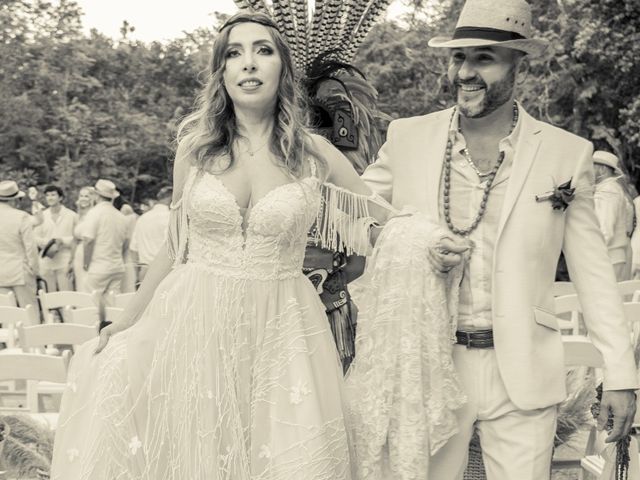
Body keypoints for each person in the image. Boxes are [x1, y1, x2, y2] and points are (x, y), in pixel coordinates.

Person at [50, 12, 419, 479]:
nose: (249, 63)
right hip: (196, 320)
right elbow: (173, 248)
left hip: (283, 326)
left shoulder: (314, 154)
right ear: (221, 72)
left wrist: (429, 236)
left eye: (263, 51)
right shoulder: (196, 149)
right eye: (234, 53)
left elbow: (382, 219)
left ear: (281, 69)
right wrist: (124, 322)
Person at [360, 0, 638, 478]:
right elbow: (357, 221)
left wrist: (620, 375)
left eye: (484, 58)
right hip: (428, 364)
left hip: (524, 371)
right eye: (458, 57)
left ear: (517, 63)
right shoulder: (406, 138)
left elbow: (594, 275)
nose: (465, 72)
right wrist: (412, 241)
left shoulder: (566, 153)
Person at [81, 179, 129, 295]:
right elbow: (126, 242)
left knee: (91, 305)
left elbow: (88, 240)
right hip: (117, 267)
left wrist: (86, 263)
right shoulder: (121, 216)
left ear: (97, 195)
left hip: (98, 267)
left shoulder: (94, 213)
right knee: (113, 305)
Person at [0, 180, 39, 317]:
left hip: (1, 272)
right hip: (20, 271)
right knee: (29, 311)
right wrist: (35, 270)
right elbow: (30, 247)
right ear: (14, 200)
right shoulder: (21, 216)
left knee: (6, 315)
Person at [593, 150, 633, 281]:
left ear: (603, 169)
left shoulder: (608, 191)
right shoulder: (614, 188)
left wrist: (592, 255)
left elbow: (605, 228)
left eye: (592, 166)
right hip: (614, 256)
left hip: (608, 256)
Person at [34, 185, 77, 292]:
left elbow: (77, 238)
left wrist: (62, 241)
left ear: (60, 198)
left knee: (67, 294)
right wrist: (48, 243)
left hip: (65, 260)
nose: (50, 198)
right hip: (46, 260)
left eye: (53, 195)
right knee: (48, 297)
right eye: (47, 195)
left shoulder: (71, 215)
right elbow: (35, 237)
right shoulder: (41, 215)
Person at [129, 186, 172, 285]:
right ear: (171, 199)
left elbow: (133, 249)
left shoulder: (143, 218)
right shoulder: (170, 218)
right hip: (163, 272)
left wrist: (137, 274)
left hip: (143, 271)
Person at [71, 186, 96, 292]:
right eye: (81, 195)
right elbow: (74, 239)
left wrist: (87, 260)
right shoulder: (77, 216)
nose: (83, 198)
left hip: (91, 251)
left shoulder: (95, 214)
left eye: (86, 196)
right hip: (78, 253)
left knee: (89, 283)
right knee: (79, 284)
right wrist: (71, 260)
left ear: (93, 198)